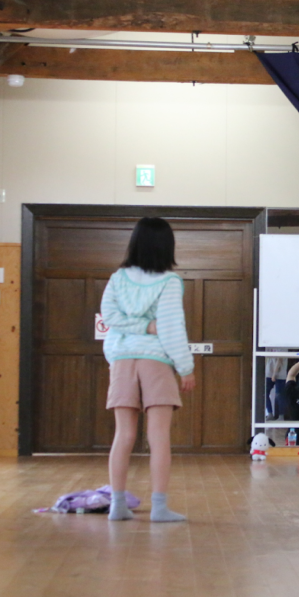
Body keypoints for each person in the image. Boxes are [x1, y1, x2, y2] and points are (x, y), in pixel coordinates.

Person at [100, 217, 195, 523]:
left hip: (122, 359)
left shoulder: (118, 278)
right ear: (167, 246)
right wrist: (186, 368)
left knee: (123, 434)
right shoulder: (169, 281)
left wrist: (137, 326)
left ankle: (117, 506)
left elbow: (109, 316)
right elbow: (171, 327)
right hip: (156, 361)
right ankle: (159, 508)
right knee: (159, 437)